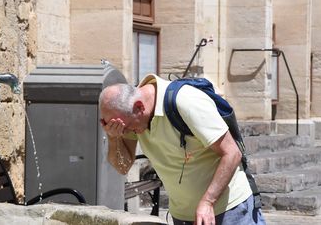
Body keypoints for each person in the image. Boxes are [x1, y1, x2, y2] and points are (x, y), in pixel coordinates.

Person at [98, 74, 266, 225]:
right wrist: (114, 138)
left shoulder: (186, 101)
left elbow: (232, 153)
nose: (125, 132)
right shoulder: (130, 117)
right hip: (183, 215)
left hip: (228, 209)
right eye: (114, 126)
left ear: (140, 107)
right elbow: (122, 167)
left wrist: (208, 202)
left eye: (125, 127)